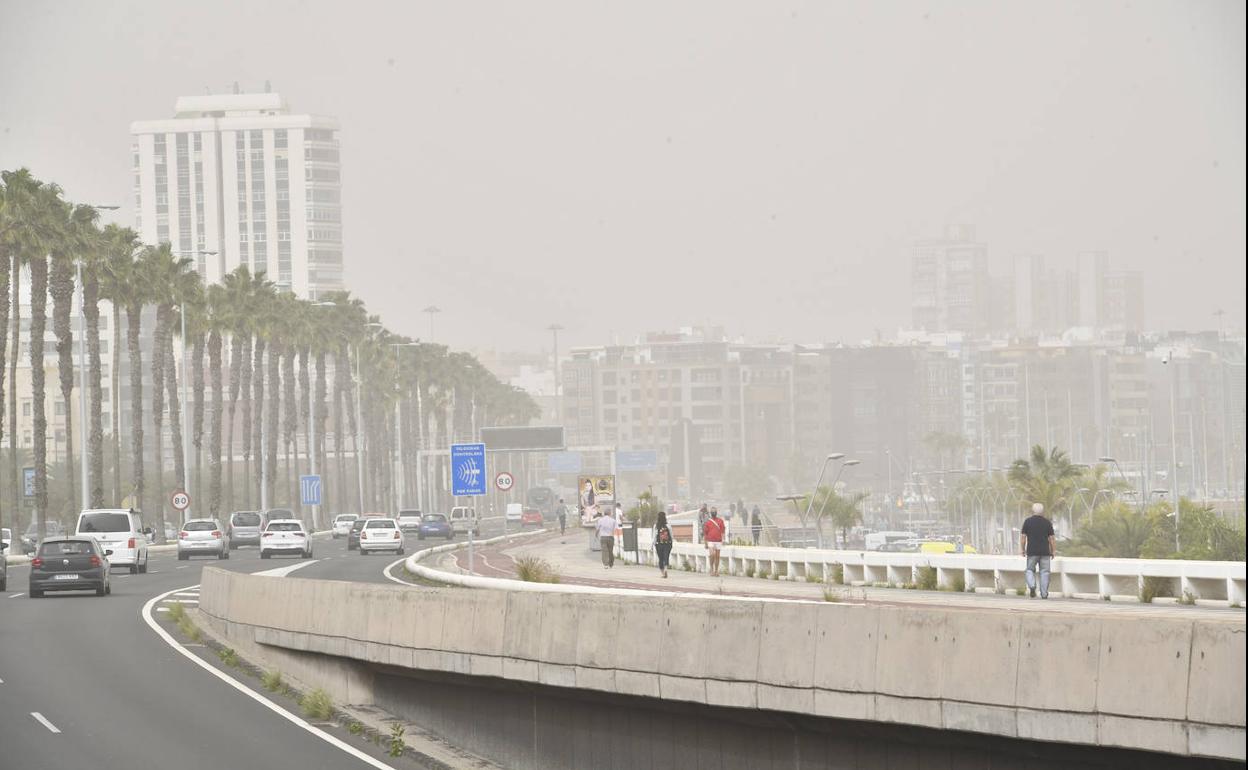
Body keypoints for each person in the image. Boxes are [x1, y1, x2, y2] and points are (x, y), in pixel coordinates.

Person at [1020, 502, 1056, 599]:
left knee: (1029, 570)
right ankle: (1044, 594)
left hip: (1032, 551)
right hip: (1045, 552)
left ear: (1033, 511)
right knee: (1045, 572)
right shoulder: (1047, 522)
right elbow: (1052, 538)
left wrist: (1023, 550)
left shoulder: (1027, 522)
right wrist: (1053, 551)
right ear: (1042, 511)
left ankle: (1032, 586)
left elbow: (1023, 538)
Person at [703, 508, 726, 576]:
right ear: (711, 513)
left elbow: (723, 531)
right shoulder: (708, 522)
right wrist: (705, 543)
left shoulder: (720, 521)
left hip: (718, 541)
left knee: (717, 556)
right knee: (712, 554)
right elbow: (705, 533)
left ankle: (716, 571)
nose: (713, 513)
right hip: (710, 541)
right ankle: (711, 569)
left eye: (714, 512)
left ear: (716, 513)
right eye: (712, 512)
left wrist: (723, 540)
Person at [653, 511, 674, 578]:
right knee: (666, 557)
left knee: (661, 558)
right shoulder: (668, 525)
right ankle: (665, 569)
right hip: (668, 544)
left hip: (659, 544)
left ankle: (662, 573)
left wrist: (653, 544)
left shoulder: (656, 526)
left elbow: (655, 536)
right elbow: (671, 535)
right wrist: (671, 542)